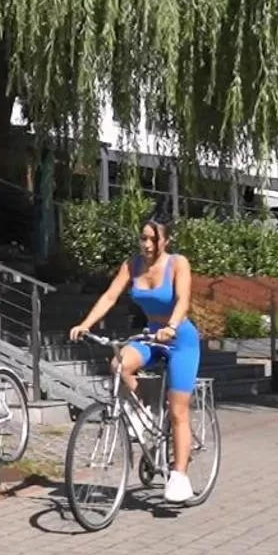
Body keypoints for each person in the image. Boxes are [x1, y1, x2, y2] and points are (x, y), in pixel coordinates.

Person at [67, 213, 200, 504]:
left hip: (180, 339)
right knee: (119, 365)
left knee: (178, 410)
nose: (147, 245)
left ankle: (180, 475)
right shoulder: (132, 265)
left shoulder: (178, 263)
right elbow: (109, 296)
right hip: (151, 336)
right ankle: (146, 412)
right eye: (143, 238)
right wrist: (86, 324)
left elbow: (183, 300)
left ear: (166, 241)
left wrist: (171, 327)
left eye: (154, 239)